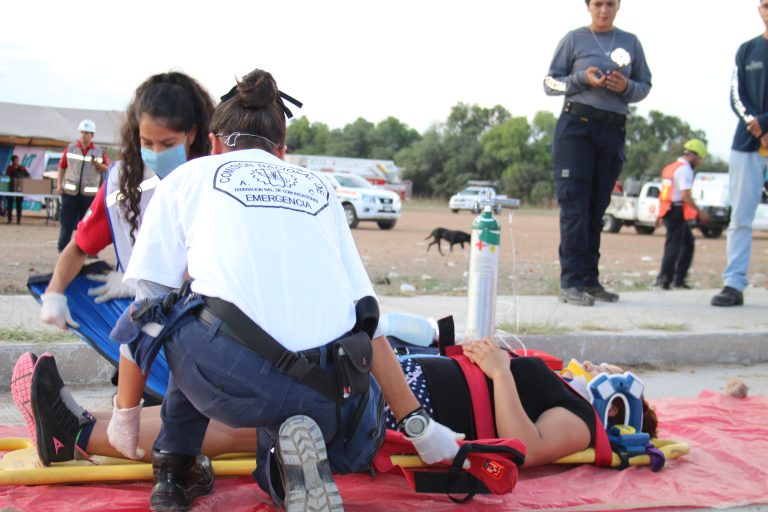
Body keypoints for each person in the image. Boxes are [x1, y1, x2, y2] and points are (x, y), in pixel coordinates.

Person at [110, 68, 462, 511]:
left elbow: (146, 310)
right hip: (331, 389)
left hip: (231, 380)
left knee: (185, 310)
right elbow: (366, 319)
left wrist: (125, 412)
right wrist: (419, 426)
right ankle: (284, 471)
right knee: (291, 408)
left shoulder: (188, 178)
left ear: (214, 142)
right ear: (282, 150)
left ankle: (173, 470)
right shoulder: (321, 188)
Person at [12, 341, 658, 471]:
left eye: (608, 374)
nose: (595, 368)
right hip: (383, 386)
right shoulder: (552, 374)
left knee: (253, 425)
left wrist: (499, 374)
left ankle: (77, 434)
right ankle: (85, 423)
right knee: (249, 394)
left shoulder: (579, 419)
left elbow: (523, 447)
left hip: (397, 424)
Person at [39, 72, 215, 330]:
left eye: (168, 143)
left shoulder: (212, 180)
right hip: (145, 317)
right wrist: (54, 294)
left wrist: (145, 282)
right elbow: (79, 246)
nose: (156, 153)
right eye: (147, 143)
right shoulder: (123, 183)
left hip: (200, 320)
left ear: (192, 134)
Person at [544, 0, 652, 306]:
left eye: (610, 4)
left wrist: (625, 86)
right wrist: (582, 79)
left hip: (612, 130)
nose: (604, 10)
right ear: (588, 6)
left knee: (596, 209)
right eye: (598, 4)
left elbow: (645, 85)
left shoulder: (630, 42)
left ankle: (590, 281)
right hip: (576, 128)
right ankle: (571, 282)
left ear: (619, 6)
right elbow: (549, 82)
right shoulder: (573, 39)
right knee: (575, 207)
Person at [711, 0, 768, 307]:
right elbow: (737, 94)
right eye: (765, 5)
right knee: (740, 218)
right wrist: (754, 123)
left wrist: (766, 122)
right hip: (748, 143)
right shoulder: (747, 50)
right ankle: (733, 284)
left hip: (761, 128)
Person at [654, 139, 711, 290]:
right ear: (693, 155)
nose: (699, 162)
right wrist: (700, 213)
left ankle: (678, 279)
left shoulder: (671, 167)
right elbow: (685, 195)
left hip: (668, 209)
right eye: (699, 159)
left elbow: (665, 193)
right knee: (674, 245)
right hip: (676, 211)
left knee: (687, 242)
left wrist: (660, 215)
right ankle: (665, 279)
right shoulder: (685, 170)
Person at [56, 119, 110, 252]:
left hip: (89, 195)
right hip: (70, 193)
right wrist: (59, 184)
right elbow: (62, 167)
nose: (84, 135)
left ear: (92, 135)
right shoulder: (70, 149)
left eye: (87, 133)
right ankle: (62, 248)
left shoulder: (98, 151)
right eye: (82, 132)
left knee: (87, 224)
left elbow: (107, 168)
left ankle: (87, 250)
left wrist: (96, 164)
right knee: (67, 223)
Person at [5, 155, 30, 224]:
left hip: (19, 189)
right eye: (15, 161)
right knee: (10, 204)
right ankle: (9, 219)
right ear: (12, 161)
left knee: (19, 204)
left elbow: (27, 175)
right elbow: (6, 177)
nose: (16, 162)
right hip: (10, 188)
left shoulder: (22, 167)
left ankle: (18, 220)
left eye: (17, 160)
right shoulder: (9, 168)